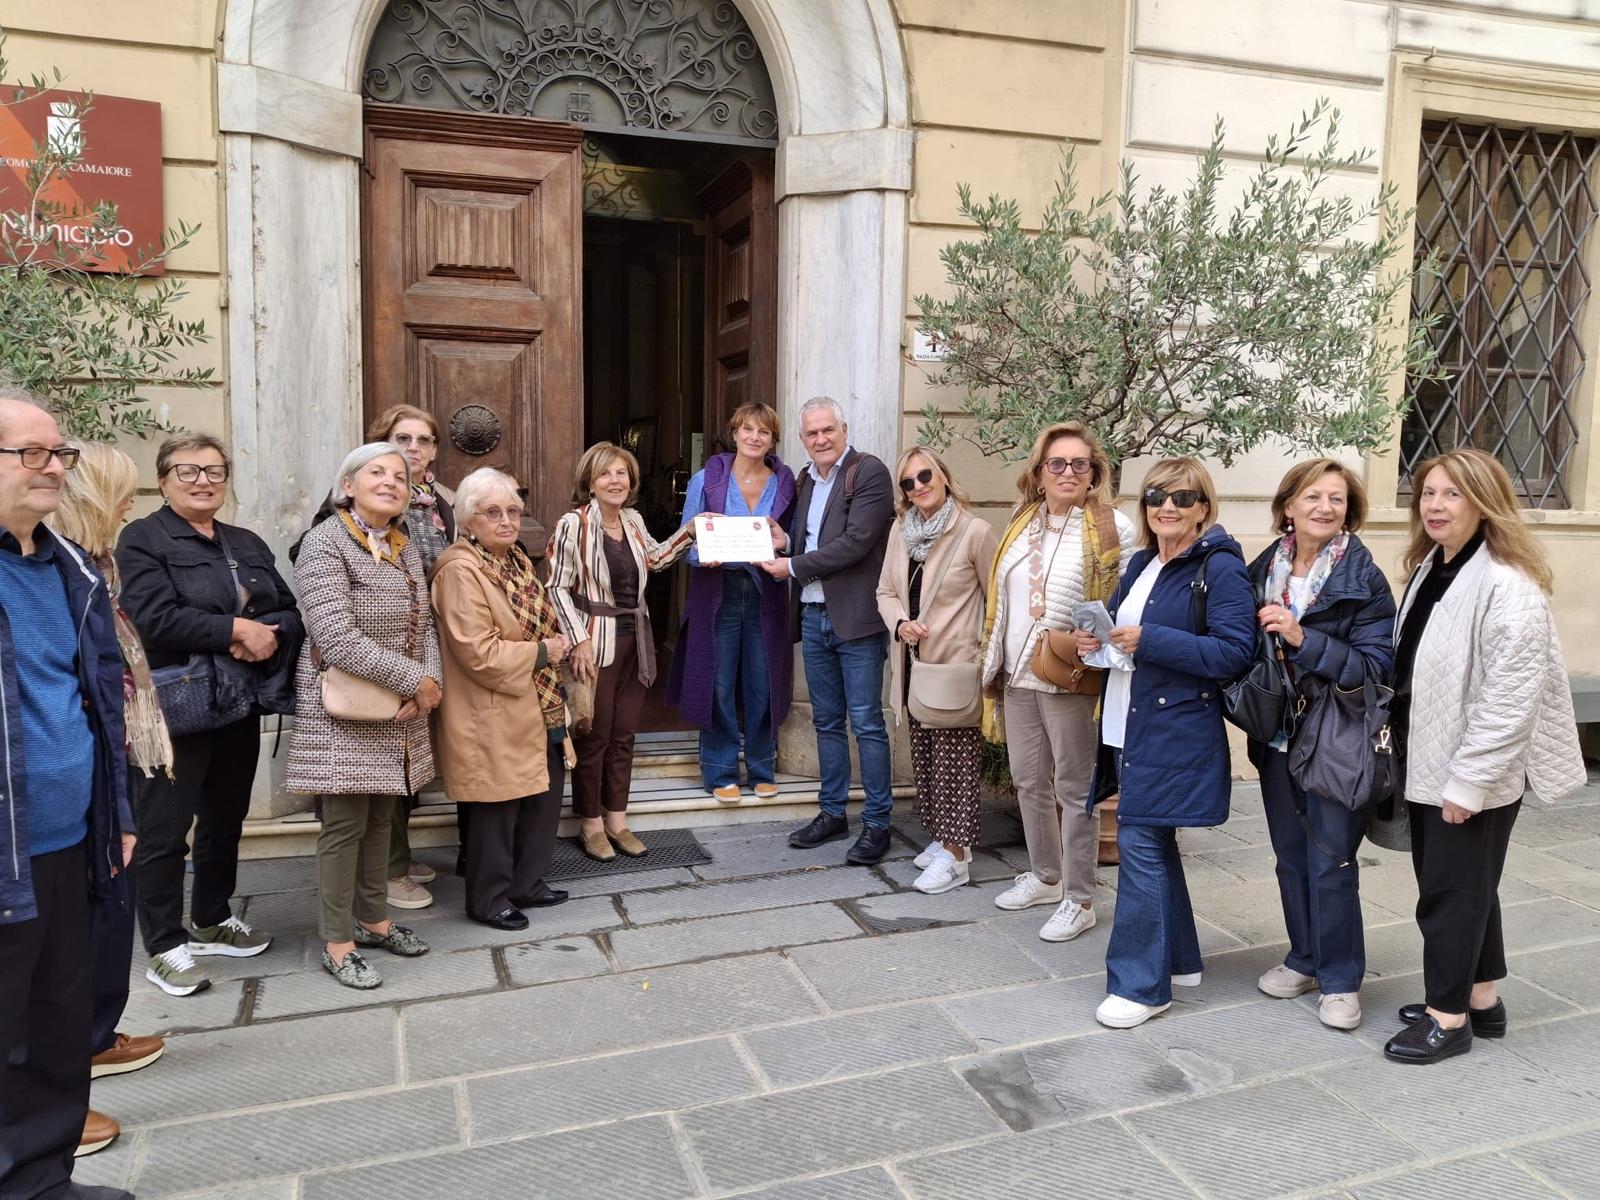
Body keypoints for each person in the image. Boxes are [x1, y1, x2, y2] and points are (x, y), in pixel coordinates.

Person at [1383, 448, 1585, 1064]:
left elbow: (1508, 701)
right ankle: (1482, 999)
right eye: (1429, 494)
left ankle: (1449, 1019)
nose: (1437, 506)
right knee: (1469, 886)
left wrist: (1468, 783)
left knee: (1449, 892)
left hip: (1471, 770)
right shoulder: (1433, 567)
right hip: (1430, 753)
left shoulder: (1506, 584)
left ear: (1485, 502)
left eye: (1454, 494)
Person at [0, 390, 136, 1200]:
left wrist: (114, 813)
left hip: (68, 840)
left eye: (61, 454)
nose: (56, 468)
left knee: (54, 1025)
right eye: (34, 454)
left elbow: (99, 703)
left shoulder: (69, 565)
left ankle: (42, 1179)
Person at [116, 434, 303, 997]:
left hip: (238, 701)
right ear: (165, 479)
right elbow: (151, 617)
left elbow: (288, 609)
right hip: (176, 707)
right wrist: (234, 631)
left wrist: (267, 634)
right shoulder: (144, 538)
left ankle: (213, 918)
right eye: (189, 470)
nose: (204, 480)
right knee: (164, 829)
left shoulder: (244, 540)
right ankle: (165, 945)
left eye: (215, 470)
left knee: (226, 817)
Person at [1074, 457, 1255, 1029]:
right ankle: (1178, 961)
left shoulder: (1219, 568)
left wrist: (1150, 639)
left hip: (1175, 728)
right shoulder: (1145, 563)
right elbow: (1129, 648)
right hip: (1129, 724)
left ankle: (1140, 985)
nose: (1167, 507)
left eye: (1181, 497)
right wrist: (1098, 644)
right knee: (1154, 840)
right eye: (1156, 496)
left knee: (1141, 844)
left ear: (1203, 507)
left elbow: (1233, 652)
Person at [51, 443, 174, 1156]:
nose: (131, 506)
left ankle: (92, 1041)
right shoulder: (60, 569)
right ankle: (42, 1110)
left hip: (108, 754)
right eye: (122, 492)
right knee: (74, 927)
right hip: (78, 764)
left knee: (104, 910)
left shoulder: (95, 564)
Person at [1245, 459, 1395, 1032]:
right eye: (1313, 497)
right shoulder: (1262, 568)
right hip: (1279, 735)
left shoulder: (1363, 578)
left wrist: (1304, 638)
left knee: (1331, 858)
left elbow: (1376, 667)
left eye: (1336, 499)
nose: (1324, 508)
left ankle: (1339, 980)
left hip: (1337, 736)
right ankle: (1304, 958)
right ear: (1289, 506)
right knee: (1289, 856)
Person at [287, 443, 440, 989]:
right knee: (344, 825)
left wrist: (430, 686)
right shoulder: (325, 544)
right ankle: (336, 941)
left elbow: (425, 629)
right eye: (377, 472)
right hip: (344, 711)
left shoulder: (400, 546)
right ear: (347, 485)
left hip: (397, 709)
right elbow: (334, 636)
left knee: (380, 821)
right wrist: (411, 680)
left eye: (400, 476)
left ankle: (374, 920)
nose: (391, 482)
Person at [979, 421, 1134, 940]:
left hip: (1069, 675)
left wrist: (1103, 638)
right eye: (1057, 463)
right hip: (1018, 671)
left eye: (1079, 464)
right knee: (1028, 781)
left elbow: (1128, 605)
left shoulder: (1115, 527)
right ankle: (1045, 876)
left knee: (1073, 788)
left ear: (1094, 473)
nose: (1068, 472)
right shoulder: (1022, 522)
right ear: (1039, 472)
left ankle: (1080, 896)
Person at [430, 468, 572, 930]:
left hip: (538, 698)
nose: (507, 521)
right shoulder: (459, 570)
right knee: (497, 806)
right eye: (493, 512)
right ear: (469, 520)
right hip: (492, 704)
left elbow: (542, 617)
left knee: (543, 796)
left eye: (513, 511)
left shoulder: (515, 559)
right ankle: (488, 900)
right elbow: (477, 652)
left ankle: (526, 883)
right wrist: (544, 651)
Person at [759, 397, 895, 864]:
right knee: (827, 722)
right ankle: (833, 812)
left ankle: (878, 823)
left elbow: (856, 543)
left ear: (843, 429)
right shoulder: (804, 479)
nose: (820, 439)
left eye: (827, 431)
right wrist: (783, 542)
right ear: (803, 440)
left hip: (857, 620)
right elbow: (810, 540)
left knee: (868, 723)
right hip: (815, 618)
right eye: (811, 434)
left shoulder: (868, 472)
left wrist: (792, 564)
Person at [547, 442, 694, 861]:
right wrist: (577, 638)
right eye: (605, 474)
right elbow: (556, 586)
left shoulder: (631, 520)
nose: (615, 481)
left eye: (622, 474)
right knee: (596, 734)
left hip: (637, 640)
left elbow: (657, 559)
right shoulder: (572, 524)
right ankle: (590, 825)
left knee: (625, 734)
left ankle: (617, 819)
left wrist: (692, 529)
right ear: (590, 483)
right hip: (595, 642)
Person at [876, 446, 997, 893]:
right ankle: (942, 839)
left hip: (953, 666)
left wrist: (984, 656)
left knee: (955, 761)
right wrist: (901, 624)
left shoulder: (974, 531)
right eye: (908, 482)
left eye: (925, 475)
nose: (918, 486)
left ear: (943, 476)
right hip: (911, 664)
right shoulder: (900, 531)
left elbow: (995, 600)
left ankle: (957, 855)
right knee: (924, 757)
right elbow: (886, 591)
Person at [670, 402, 796, 801]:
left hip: (765, 594)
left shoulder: (786, 483)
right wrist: (701, 553)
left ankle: (761, 765)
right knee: (718, 682)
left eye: (764, 432)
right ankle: (720, 769)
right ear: (735, 433)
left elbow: (796, 540)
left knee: (763, 684)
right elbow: (685, 540)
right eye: (747, 429)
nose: (755, 438)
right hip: (718, 594)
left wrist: (785, 544)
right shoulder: (707, 480)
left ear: (773, 439)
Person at [366, 403, 456, 908]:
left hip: (430, 640)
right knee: (388, 759)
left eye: (424, 440)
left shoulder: (440, 499)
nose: (414, 449)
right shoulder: (368, 494)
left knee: (412, 756)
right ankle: (388, 868)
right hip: (386, 646)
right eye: (403, 439)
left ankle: (398, 853)